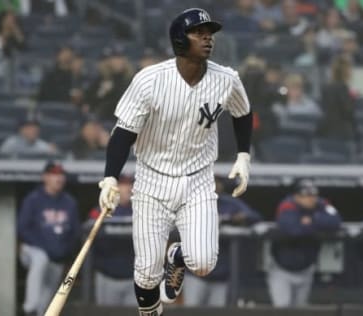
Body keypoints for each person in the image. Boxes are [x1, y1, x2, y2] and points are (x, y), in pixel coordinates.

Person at [97, 8, 253, 316]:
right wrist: (111, 178)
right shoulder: (150, 80)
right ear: (181, 40)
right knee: (146, 273)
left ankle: (178, 255)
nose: (208, 38)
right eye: (199, 33)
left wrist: (244, 156)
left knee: (204, 263)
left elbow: (243, 112)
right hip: (152, 181)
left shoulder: (226, 79)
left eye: (210, 33)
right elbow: (122, 133)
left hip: (197, 179)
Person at [183, 177, 262, 307]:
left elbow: (255, 216)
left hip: (221, 274)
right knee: (191, 310)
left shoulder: (231, 204)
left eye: (217, 182)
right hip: (195, 274)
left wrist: (240, 218)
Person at [17, 161, 81, 316]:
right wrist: (45, 246)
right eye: (54, 175)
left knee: (47, 300)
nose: (58, 178)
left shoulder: (69, 202)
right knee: (41, 259)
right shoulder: (33, 199)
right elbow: (22, 228)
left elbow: (75, 232)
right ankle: (29, 307)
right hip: (32, 251)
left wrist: (65, 252)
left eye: (60, 175)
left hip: (57, 257)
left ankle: (37, 312)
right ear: (45, 177)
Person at [267, 179, 342, 307]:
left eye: (312, 195)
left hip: (306, 269)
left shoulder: (321, 204)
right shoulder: (287, 205)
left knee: (301, 310)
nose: (310, 199)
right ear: (297, 196)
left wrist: (312, 220)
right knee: (282, 308)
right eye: (306, 196)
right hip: (282, 270)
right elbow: (293, 229)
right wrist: (317, 225)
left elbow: (335, 221)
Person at [88, 176, 137, 306]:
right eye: (123, 184)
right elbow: (89, 240)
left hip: (134, 279)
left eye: (130, 184)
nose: (128, 188)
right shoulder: (101, 210)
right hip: (107, 276)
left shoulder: (140, 211)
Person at [317, 55, 357, 140]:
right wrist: (353, 98)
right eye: (350, 69)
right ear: (345, 71)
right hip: (341, 131)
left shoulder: (326, 87)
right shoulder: (342, 88)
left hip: (326, 129)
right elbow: (348, 110)